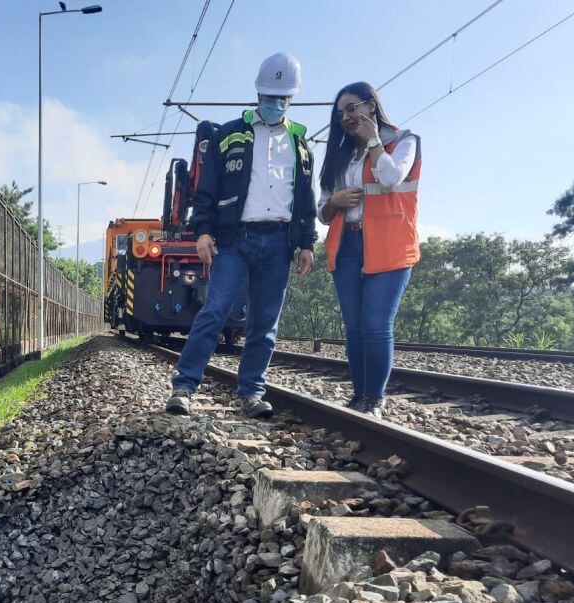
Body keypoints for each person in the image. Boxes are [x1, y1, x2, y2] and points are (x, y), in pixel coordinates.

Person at [166, 52, 317, 417]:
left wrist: (307, 243)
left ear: (291, 100)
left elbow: (305, 197)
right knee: (214, 311)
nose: (274, 103)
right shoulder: (228, 134)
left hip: (279, 243)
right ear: (257, 94)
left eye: (281, 98)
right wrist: (203, 231)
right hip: (235, 240)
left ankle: (251, 391)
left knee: (264, 323)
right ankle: (184, 387)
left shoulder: (299, 144)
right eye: (269, 97)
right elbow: (208, 190)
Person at [318, 82, 421, 418]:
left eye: (352, 108)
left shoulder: (404, 141)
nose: (347, 117)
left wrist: (374, 141)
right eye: (341, 114)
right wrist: (334, 201)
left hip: (389, 245)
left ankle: (375, 400)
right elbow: (321, 211)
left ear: (371, 106)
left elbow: (391, 178)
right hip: (346, 244)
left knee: (376, 324)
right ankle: (360, 396)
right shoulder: (340, 154)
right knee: (355, 326)